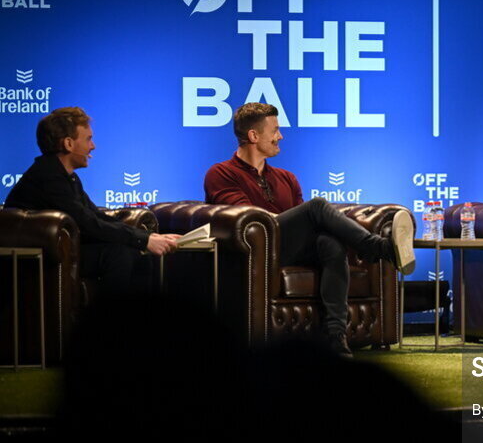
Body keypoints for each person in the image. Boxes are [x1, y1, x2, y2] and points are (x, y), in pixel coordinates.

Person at [204, 102, 415, 358]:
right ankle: (378, 247)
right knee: (316, 207)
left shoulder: (286, 177)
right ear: (253, 136)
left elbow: (303, 225)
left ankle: (336, 337)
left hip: (290, 247)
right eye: (275, 130)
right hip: (257, 255)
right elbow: (247, 216)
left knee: (331, 244)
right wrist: (301, 218)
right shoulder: (221, 173)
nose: (280, 136)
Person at [3, 107, 180, 298]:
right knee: (119, 255)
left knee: (136, 253)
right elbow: (87, 224)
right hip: (36, 261)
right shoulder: (48, 177)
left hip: (61, 253)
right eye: (88, 139)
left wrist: (147, 236)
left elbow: (95, 216)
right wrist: (143, 239)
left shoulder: (67, 177)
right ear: (69, 143)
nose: (93, 146)